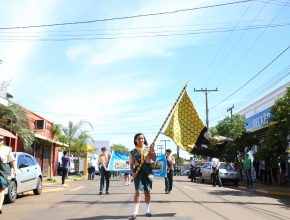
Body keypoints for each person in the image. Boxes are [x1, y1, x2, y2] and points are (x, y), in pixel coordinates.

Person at [129, 133, 156, 219]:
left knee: (147, 191)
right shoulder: (132, 151)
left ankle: (147, 211)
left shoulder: (148, 148)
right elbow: (131, 164)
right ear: (135, 140)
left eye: (142, 138)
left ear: (144, 139)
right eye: (139, 138)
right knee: (137, 191)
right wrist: (132, 172)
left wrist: (152, 149)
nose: (141, 140)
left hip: (148, 171)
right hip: (138, 171)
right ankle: (135, 212)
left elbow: (154, 159)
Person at [0, 135, 17, 214]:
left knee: (1, 188)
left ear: (3, 141)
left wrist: (15, 169)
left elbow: (12, 160)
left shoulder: (7, 149)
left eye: (0, 139)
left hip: (4, 171)